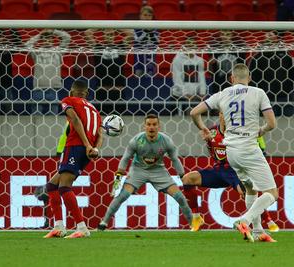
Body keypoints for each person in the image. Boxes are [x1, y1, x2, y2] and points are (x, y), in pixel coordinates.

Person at [190, 63, 278, 242]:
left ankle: (258, 231)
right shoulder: (258, 92)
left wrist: (204, 128)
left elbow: (194, 112)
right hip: (249, 149)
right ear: (249, 78)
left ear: (231, 79)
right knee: (272, 193)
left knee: (251, 188)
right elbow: (272, 124)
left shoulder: (222, 94)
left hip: (231, 152)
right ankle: (244, 220)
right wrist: (261, 130)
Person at [182, 112, 279, 235]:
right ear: (220, 115)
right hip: (219, 171)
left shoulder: (239, 133)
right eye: (224, 113)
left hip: (236, 171)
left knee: (246, 192)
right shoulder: (211, 132)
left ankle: (267, 220)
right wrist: (207, 140)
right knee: (188, 178)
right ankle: (196, 218)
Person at [97, 114, 192, 231]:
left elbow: (175, 159)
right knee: (123, 195)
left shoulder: (166, 141)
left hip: (158, 170)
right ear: (144, 127)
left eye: (154, 124)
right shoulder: (136, 141)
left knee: (180, 197)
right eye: (149, 125)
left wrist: (182, 175)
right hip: (138, 170)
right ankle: (103, 223)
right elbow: (126, 158)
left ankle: (193, 225)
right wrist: (119, 175)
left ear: (159, 126)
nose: (151, 127)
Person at [44, 80, 102, 238]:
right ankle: (59, 226)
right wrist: (94, 148)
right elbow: (100, 134)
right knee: (51, 186)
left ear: (71, 91)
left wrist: (85, 144)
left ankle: (82, 227)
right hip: (87, 152)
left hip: (75, 146)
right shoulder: (95, 111)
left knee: (64, 187)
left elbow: (74, 120)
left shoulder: (68, 100)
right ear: (87, 94)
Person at [25, 29, 71, 114]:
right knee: (36, 114)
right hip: (38, 87)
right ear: (41, 41)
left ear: (53, 40)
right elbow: (27, 44)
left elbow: (67, 38)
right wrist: (40, 34)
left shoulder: (58, 51)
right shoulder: (37, 52)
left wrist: (53, 31)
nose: (47, 41)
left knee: (53, 114)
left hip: (53, 88)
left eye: (49, 39)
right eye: (45, 39)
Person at [85, 28, 129, 102]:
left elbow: (131, 34)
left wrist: (116, 26)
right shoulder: (98, 48)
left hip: (118, 90)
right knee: (101, 113)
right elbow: (87, 33)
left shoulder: (121, 46)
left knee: (119, 113)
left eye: (111, 34)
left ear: (115, 35)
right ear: (104, 35)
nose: (109, 36)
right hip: (102, 90)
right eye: (107, 34)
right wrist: (102, 26)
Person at [171, 36, 207, 100]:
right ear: (184, 46)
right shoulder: (177, 59)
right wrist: (186, 94)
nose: (191, 46)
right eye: (188, 44)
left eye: (193, 45)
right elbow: (177, 78)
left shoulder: (199, 60)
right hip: (179, 95)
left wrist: (202, 93)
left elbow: (202, 77)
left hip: (195, 95)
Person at [133, 5, 159, 77]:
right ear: (140, 16)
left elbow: (157, 41)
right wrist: (146, 31)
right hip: (139, 56)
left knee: (150, 75)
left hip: (150, 56)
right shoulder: (136, 27)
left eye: (149, 15)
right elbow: (138, 40)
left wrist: (151, 33)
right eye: (145, 15)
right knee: (138, 74)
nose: (147, 17)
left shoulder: (154, 27)